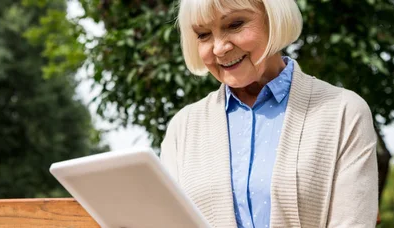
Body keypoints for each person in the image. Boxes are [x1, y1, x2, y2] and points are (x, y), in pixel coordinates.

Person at [159, 0, 378, 227]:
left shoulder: (343, 112)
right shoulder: (182, 128)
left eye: (235, 24)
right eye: (203, 34)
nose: (219, 48)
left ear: (273, 18)